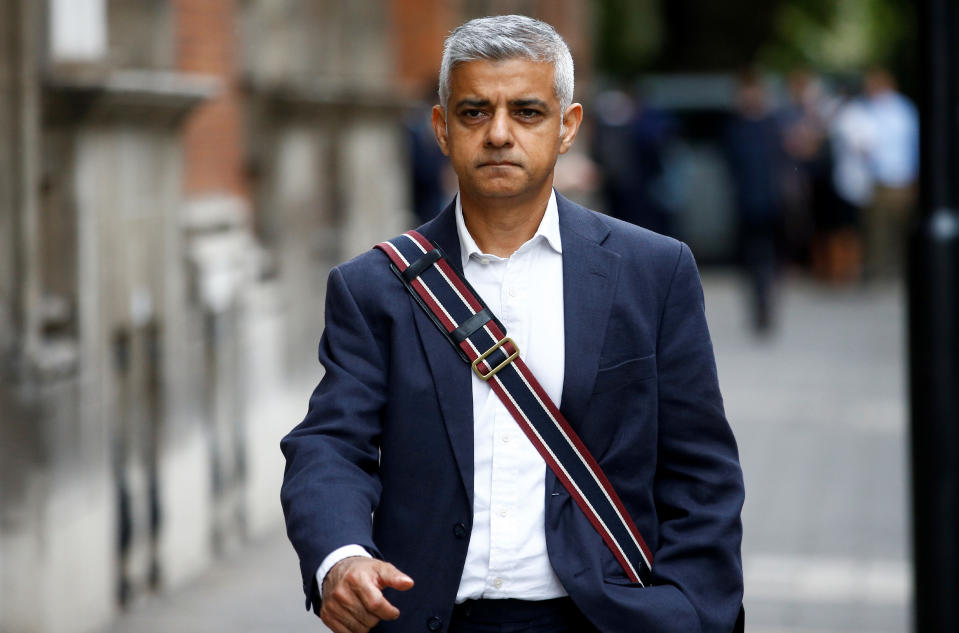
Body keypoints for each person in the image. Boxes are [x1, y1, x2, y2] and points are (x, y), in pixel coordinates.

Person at [281, 15, 744, 633]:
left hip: (601, 618)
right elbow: (331, 445)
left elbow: (700, 471)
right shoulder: (373, 287)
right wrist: (340, 559)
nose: (499, 133)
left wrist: (687, 612)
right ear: (442, 129)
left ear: (568, 126)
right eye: (474, 112)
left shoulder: (653, 272)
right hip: (427, 616)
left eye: (526, 112)